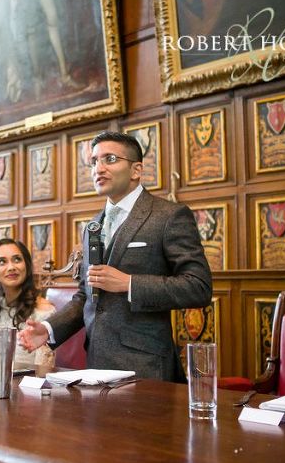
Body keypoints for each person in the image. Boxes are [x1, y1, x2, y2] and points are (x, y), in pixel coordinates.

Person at [19, 131, 213, 380]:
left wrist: (129, 283)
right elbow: (86, 296)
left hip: (146, 368)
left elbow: (198, 287)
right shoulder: (93, 226)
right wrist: (48, 329)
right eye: (94, 161)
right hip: (96, 366)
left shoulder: (168, 216)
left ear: (136, 170)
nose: (98, 168)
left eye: (109, 159)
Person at [0, 238, 55, 366]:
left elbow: (45, 370)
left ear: (26, 265)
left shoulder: (44, 312)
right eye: (2, 262)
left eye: (17, 260)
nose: (11, 267)